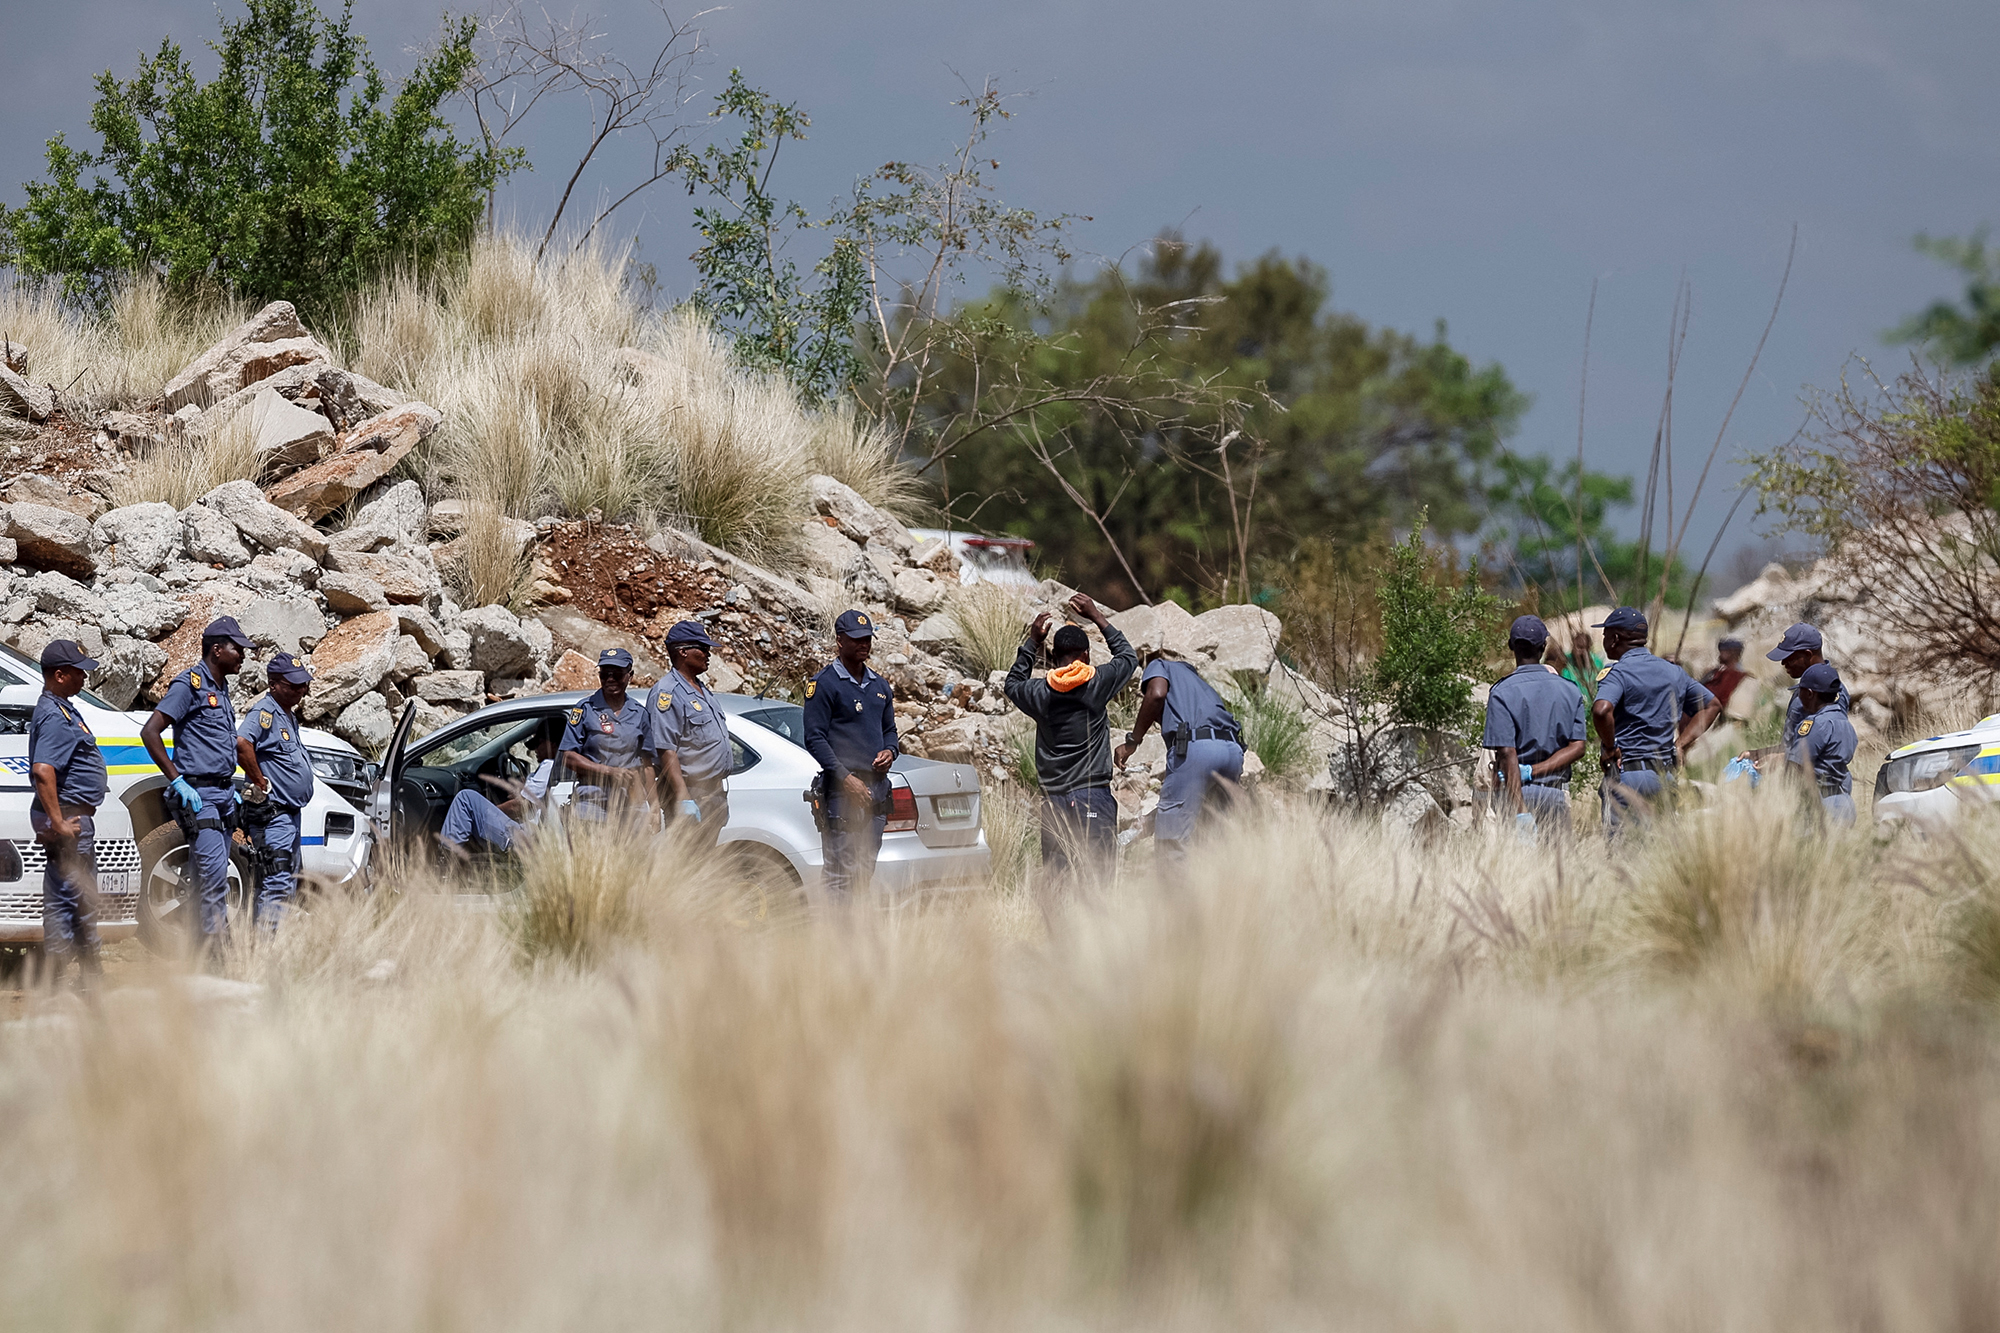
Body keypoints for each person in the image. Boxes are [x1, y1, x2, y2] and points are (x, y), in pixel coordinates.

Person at [141, 616, 257, 949]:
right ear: (217, 649)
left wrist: (231, 789)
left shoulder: (222, 687)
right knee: (213, 878)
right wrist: (177, 781)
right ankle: (214, 955)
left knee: (208, 877)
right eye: (238, 649)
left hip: (221, 793)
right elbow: (150, 732)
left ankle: (195, 957)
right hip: (199, 794)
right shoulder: (188, 684)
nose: (243, 656)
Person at [1005, 593, 1137, 882]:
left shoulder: (1039, 693)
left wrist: (1033, 642)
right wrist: (1097, 615)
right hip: (1093, 797)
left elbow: (1013, 683)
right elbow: (1129, 657)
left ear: (1052, 659)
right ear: (1087, 656)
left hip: (1053, 804)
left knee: (1057, 885)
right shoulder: (1097, 683)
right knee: (1097, 883)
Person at [1589, 606, 1721, 833]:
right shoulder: (1673, 672)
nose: (1604, 639)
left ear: (1616, 638)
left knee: (1622, 852)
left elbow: (1601, 710)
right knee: (1657, 850)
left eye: (1606, 634)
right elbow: (1712, 705)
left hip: (1627, 775)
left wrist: (1610, 748)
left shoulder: (1618, 673)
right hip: (1664, 775)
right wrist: (1681, 744)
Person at [1115, 644, 1242, 867]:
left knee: (1171, 845)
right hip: (1232, 751)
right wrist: (1154, 819)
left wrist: (1132, 742)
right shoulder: (1201, 687)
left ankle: (1174, 900)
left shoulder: (1160, 665)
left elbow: (1156, 694)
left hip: (1196, 749)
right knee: (1211, 834)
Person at [803, 610, 899, 898]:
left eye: (867, 638)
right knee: (840, 874)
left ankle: (857, 938)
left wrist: (890, 751)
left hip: (876, 792)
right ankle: (836, 941)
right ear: (839, 641)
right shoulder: (824, 684)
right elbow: (814, 738)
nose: (863, 644)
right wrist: (846, 779)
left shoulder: (880, 686)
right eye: (856, 639)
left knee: (864, 871)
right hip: (842, 793)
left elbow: (890, 730)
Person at [27, 640, 105, 985]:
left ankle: (82, 974)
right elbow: (44, 770)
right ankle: (66, 976)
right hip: (69, 818)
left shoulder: (62, 708)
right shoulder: (55, 715)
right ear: (60, 675)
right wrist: (58, 821)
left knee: (75, 896)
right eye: (78, 672)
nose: (83, 678)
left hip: (73, 816)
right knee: (70, 897)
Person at [1483, 615, 1589, 835]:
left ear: (1512, 646)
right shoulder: (1570, 690)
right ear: (1543, 647)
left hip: (1515, 795)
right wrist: (1535, 771)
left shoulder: (1501, 692)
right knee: (1558, 865)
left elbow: (1506, 751)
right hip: (1555, 793)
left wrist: (1520, 811)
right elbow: (1578, 746)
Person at [234, 652, 315, 928]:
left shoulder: (287, 716)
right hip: (274, 815)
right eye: (293, 685)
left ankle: (270, 945)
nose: (300, 690)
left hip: (290, 815)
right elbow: (242, 743)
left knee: (286, 882)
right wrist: (259, 781)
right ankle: (264, 952)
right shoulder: (265, 712)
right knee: (276, 882)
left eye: (303, 684)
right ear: (273, 684)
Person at [649, 620, 733, 854]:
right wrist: (683, 797)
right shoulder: (667, 692)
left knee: (704, 866)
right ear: (683, 651)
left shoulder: (701, 689)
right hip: (691, 794)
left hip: (712, 794)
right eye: (703, 649)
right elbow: (666, 749)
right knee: (687, 865)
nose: (708, 654)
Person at [559, 647, 657, 822]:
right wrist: (608, 771)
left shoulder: (640, 713)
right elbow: (568, 756)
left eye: (617, 674)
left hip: (632, 804)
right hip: (593, 802)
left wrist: (654, 809)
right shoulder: (585, 709)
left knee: (636, 850)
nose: (610, 679)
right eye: (605, 674)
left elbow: (647, 765)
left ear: (630, 675)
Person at [1741, 622, 1849, 771]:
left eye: (1789, 657)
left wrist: (1780, 760)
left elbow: (1828, 747)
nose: (1783, 663)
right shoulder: (1803, 690)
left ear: (1807, 655)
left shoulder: (1830, 692)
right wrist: (1758, 754)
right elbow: (1794, 745)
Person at [439, 723, 559, 855]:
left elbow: (520, 807)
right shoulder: (557, 768)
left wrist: (489, 811)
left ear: (552, 744)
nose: (535, 749)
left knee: (465, 799)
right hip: (530, 834)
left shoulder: (549, 766)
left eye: (539, 743)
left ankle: (446, 860)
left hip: (524, 837)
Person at [1787, 662, 1859, 827]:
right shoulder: (1845, 723)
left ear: (1810, 693)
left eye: (1801, 692)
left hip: (1820, 805)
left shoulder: (1815, 724)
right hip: (1844, 802)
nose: (1800, 697)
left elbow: (1796, 767)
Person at [1700, 638, 1750, 712]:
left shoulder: (1734, 674)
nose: (1719, 655)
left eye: (1722, 651)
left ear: (1732, 652)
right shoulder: (1715, 671)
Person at [1561, 629, 1605, 693]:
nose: (1577, 651)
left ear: (1588, 648)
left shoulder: (1597, 664)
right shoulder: (1567, 662)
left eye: (1581, 648)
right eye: (1575, 647)